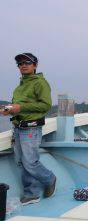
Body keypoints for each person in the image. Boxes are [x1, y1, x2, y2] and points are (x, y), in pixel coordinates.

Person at [0, 53, 56, 205]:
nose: (23, 65)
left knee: (30, 162)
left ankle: (50, 178)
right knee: (21, 161)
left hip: (31, 129)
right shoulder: (21, 84)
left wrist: (20, 107)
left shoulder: (40, 82)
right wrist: (9, 110)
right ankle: (32, 193)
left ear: (35, 65)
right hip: (18, 128)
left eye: (27, 62)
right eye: (20, 64)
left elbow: (46, 105)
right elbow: (19, 107)